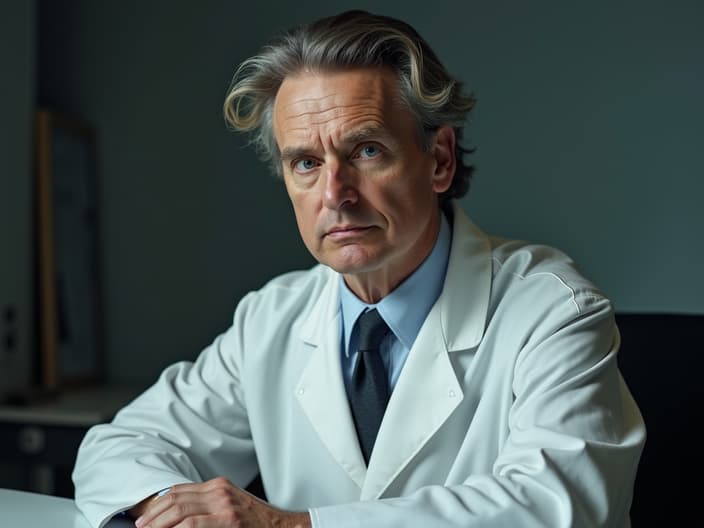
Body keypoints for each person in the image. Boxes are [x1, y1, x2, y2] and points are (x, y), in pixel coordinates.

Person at [73, 10, 645, 528]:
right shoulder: (272, 317)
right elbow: (124, 442)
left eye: (367, 151)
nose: (335, 194)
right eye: (306, 162)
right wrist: (168, 507)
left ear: (439, 159)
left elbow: (558, 506)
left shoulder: (551, 309)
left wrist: (293, 527)